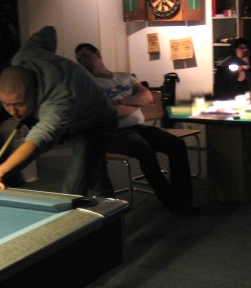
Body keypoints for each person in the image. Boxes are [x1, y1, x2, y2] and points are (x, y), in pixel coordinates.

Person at [0, 26, 116, 197]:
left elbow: (38, 141)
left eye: (19, 104)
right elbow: (49, 30)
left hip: (98, 120)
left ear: (35, 92)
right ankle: (111, 207)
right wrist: (49, 57)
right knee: (95, 172)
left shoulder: (58, 100)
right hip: (78, 112)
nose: (13, 112)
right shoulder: (26, 55)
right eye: (6, 104)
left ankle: (89, 209)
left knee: (75, 185)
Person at [74, 43, 199, 215]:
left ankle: (183, 197)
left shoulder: (124, 77)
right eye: (80, 59)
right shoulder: (89, 84)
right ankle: (172, 202)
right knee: (146, 151)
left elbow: (147, 97)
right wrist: (133, 103)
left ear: (98, 54)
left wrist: (120, 102)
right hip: (111, 133)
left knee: (176, 145)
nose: (83, 61)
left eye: (86, 56)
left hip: (137, 127)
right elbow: (109, 113)